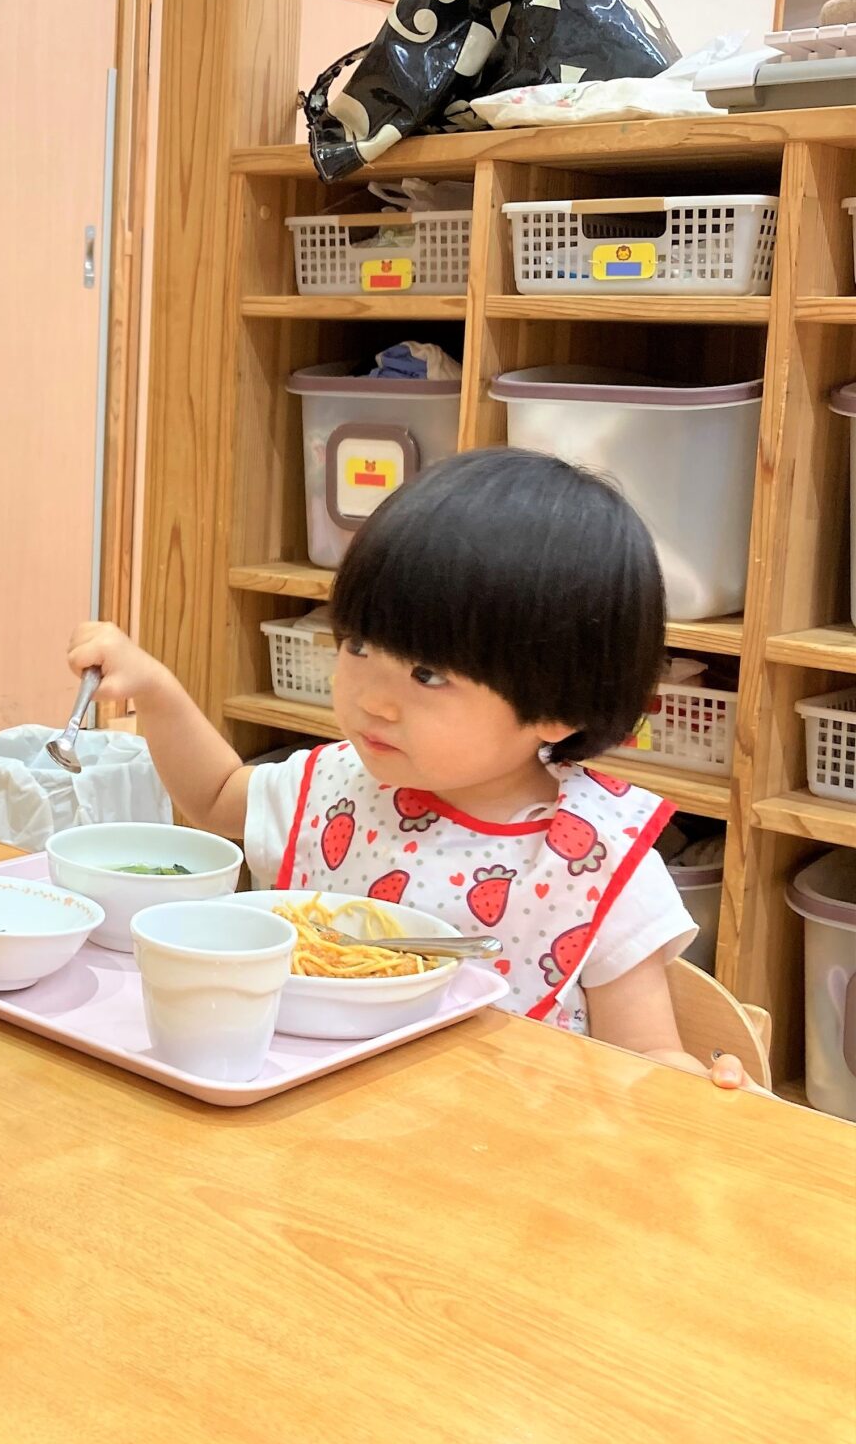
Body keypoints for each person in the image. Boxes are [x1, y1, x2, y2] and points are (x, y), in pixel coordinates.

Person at [71, 448, 755, 1087]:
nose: (371, 697)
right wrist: (156, 691)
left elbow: (639, 1058)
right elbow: (218, 795)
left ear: (556, 706)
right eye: (360, 643)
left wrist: (696, 1085)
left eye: (427, 673)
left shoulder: (595, 860)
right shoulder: (342, 785)